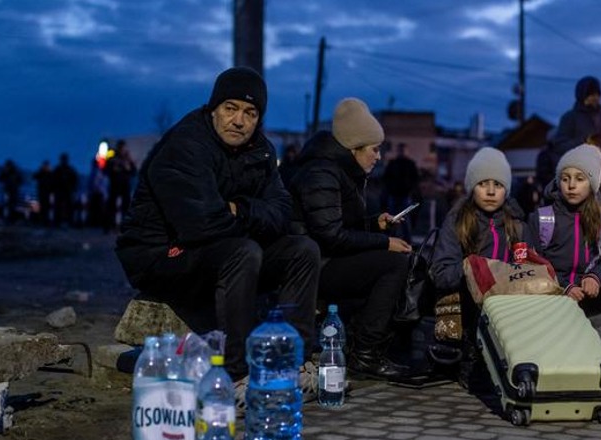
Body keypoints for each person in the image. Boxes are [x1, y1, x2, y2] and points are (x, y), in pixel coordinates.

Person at [115, 67, 321, 401]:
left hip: (220, 248)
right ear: (214, 109)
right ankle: (236, 375)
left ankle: (291, 366)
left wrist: (239, 209)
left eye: (250, 113)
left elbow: (284, 212)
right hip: (161, 255)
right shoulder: (185, 145)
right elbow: (199, 223)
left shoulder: (261, 151)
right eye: (231, 108)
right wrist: (251, 215)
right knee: (245, 252)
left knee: (303, 249)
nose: (239, 121)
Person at [286, 97, 412, 380]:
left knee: (398, 259)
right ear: (354, 148)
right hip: (313, 266)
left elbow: (339, 226)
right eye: (374, 150)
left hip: (326, 258)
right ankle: (365, 353)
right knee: (393, 264)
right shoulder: (321, 172)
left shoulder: (339, 170)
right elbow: (330, 236)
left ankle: (365, 344)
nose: (378, 157)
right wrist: (383, 242)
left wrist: (376, 225)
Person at [528, 144, 601, 381]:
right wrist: (564, 286)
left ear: (592, 184)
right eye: (565, 178)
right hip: (552, 297)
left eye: (579, 178)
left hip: (586, 294)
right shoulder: (542, 218)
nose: (571, 185)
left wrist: (595, 277)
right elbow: (531, 263)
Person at [430, 147, 534, 388]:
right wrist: (472, 270)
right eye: (482, 183)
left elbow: (527, 266)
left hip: (506, 306)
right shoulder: (458, 221)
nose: (489, 191)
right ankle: (464, 354)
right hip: (467, 303)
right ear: (471, 187)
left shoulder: (517, 225)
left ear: (506, 190)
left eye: (497, 185)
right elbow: (442, 273)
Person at [552, 76, 601, 218]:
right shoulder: (570, 118)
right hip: (581, 178)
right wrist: (583, 142)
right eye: (591, 94)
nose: (595, 98)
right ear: (582, 95)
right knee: (582, 219)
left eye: (597, 95)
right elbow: (559, 145)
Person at [382, 142, 421, 243]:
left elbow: (415, 179)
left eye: (403, 150)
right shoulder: (393, 163)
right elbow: (386, 178)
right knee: (393, 219)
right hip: (394, 195)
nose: (402, 152)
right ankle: (392, 240)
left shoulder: (410, 164)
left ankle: (407, 242)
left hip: (404, 195)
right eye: (401, 150)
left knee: (405, 220)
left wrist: (410, 189)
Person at [103, 139, 137, 233]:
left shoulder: (127, 158)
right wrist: (113, 169)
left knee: (126, 207)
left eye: (123, 148)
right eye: (120, 147)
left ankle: (125, 227)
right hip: (114, 185)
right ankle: (108, 227)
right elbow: (105, 170)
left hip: (125, 185)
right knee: (111, 206)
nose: (122, 149)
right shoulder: (112, 158)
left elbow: (134, 171)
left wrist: (128, 167)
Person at [52, 153, 78, 227]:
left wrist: (73, 188)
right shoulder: (58, 169)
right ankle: (57, 222)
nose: (64, 161)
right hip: (60, 191)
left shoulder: (69, 170)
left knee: (69, 207)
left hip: (67, 191)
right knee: (58, 207)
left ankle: (69, 222)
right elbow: (54, 180)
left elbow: (75, 180)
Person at [33, 160, 53, 225]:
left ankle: (45, 220)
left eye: (47, 166)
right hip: (41, 192)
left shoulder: (50, 173)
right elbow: (34, 176)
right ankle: (39, 220)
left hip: (47, 193)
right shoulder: (41, 172)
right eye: (45, 166)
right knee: (39, 206)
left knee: (46, 207)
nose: (46, 167)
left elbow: (54, 182)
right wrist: (40, 170)